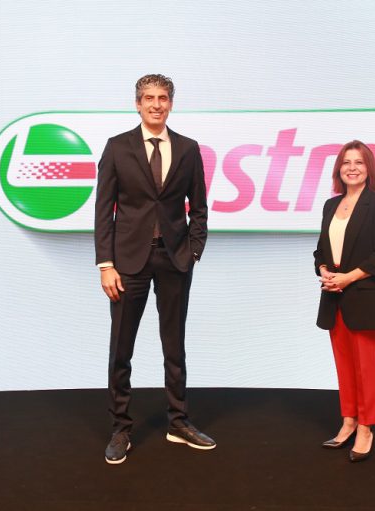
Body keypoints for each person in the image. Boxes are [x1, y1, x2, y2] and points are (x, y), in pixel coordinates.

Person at [94, 74, 214, 464]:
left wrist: (193, 252)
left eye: (163, 98)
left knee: (174, 346)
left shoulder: (188, 149)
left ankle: (178, 422)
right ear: (138, 103)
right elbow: (104, 211)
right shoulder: (117, 147)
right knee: (121, 349)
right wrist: (106, 264)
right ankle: (120, 428)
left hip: (174, 260)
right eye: (149, 98)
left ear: (171, 104)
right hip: (127, 263)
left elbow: (199, 208)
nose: (156, 104)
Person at [313, 140, 375, 462]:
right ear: (339, 169)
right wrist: (324, 270)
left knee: (365, 367)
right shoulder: (330, 206)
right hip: (333, 296)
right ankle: (348, 421)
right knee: (344, 365)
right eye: (346, 162)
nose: (352, 168)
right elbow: (321, 250)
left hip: (363, 296)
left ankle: (366, 427)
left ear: (368, 168)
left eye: (359, 162)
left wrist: (347, 278)